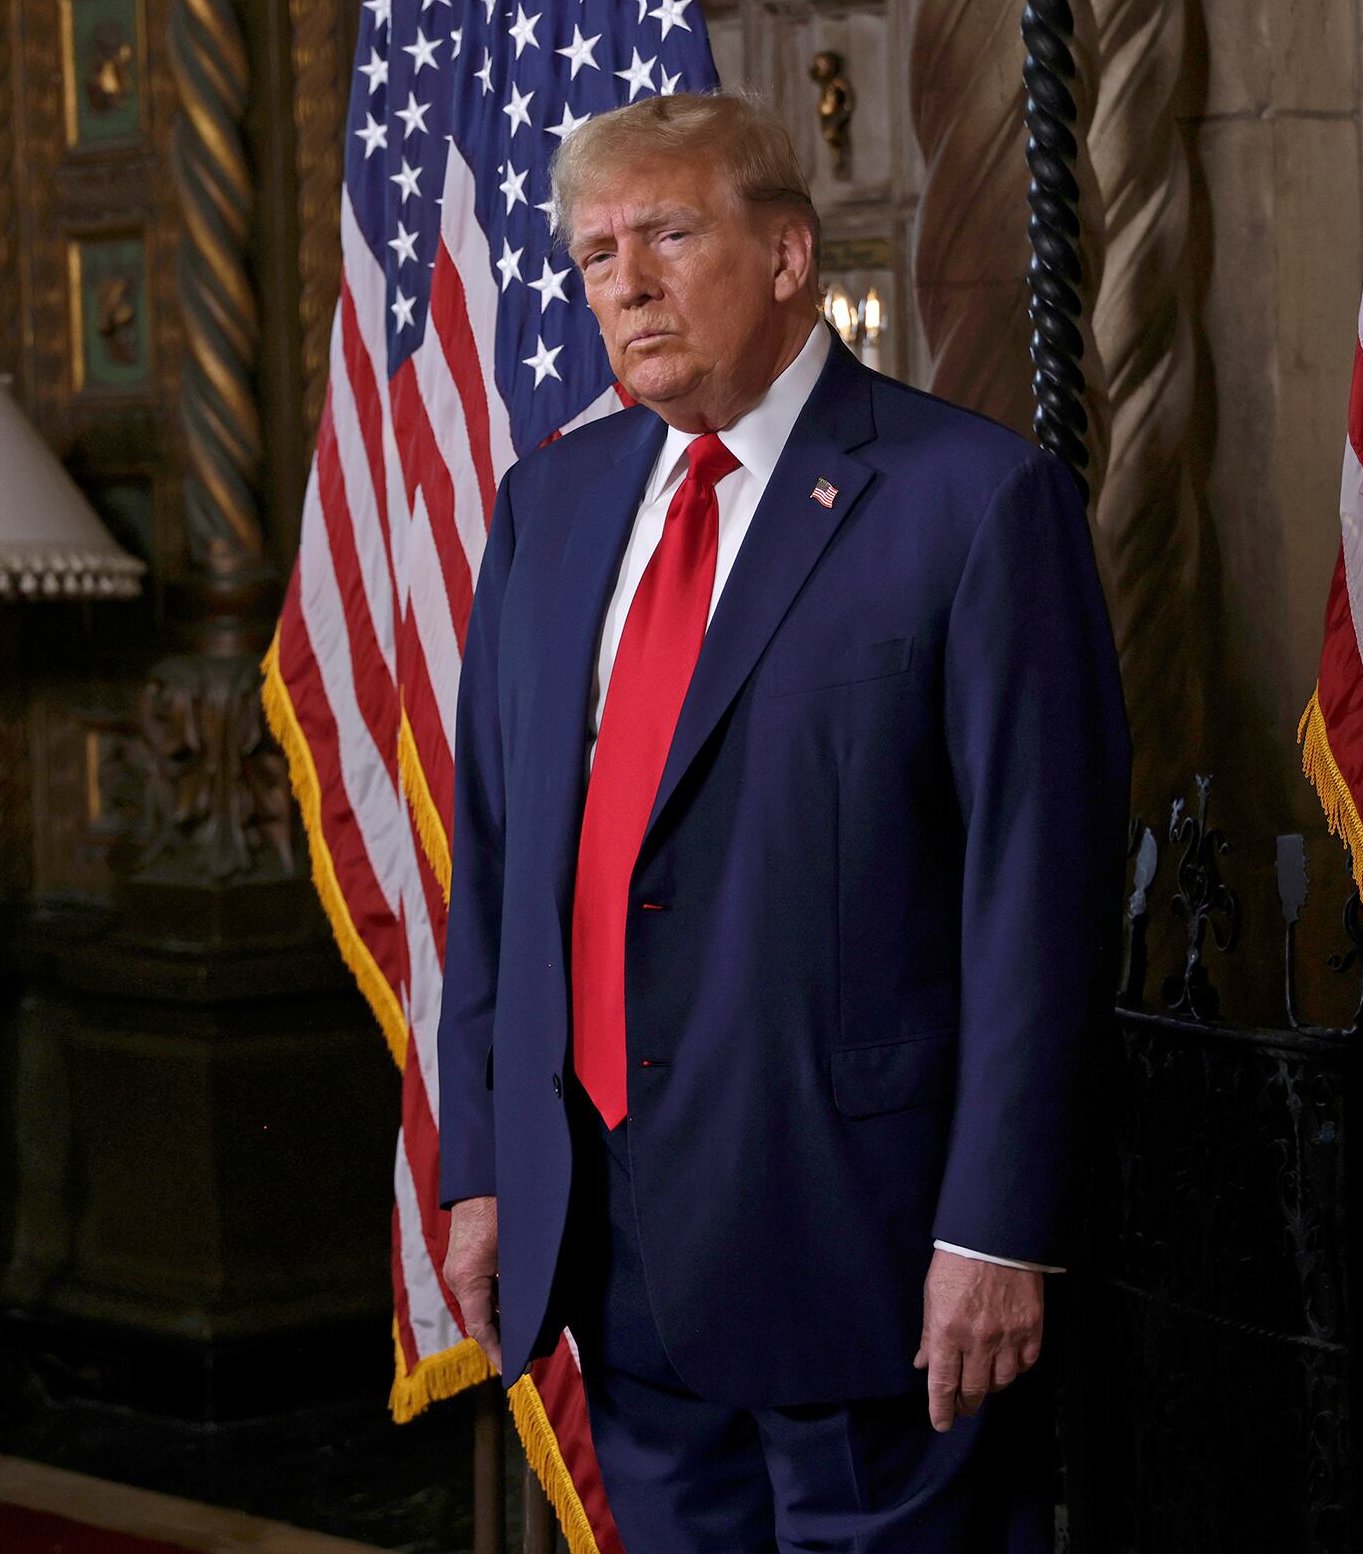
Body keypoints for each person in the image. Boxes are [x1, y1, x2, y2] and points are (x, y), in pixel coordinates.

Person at [438, 93, 1131, 1551]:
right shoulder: (547, 509)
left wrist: (996, 1227)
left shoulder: (975, 503)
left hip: (867, 1249)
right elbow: (500, 872)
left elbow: (1038, 904)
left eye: (669, 235)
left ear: (787, 255)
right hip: (614, 1236)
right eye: (595, 253)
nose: (624, 282)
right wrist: (488, 1167)